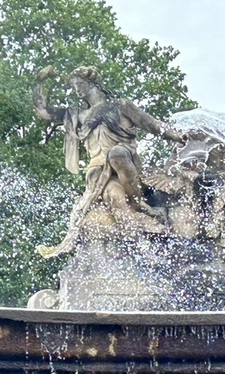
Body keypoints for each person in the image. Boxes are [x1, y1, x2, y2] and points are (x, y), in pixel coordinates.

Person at [32, 65, 185, 256]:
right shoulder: (78, 117)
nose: (77, 89)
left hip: (126, 161)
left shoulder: (121, 106)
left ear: (93, 83)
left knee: (116, 153)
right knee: (115, 199)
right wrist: (39, 81)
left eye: (80, 84)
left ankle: (138, 204)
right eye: (74, 86)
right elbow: (43, 112)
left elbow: (151, 124)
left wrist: (178, 136)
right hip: (98, 172)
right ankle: (138, 250)